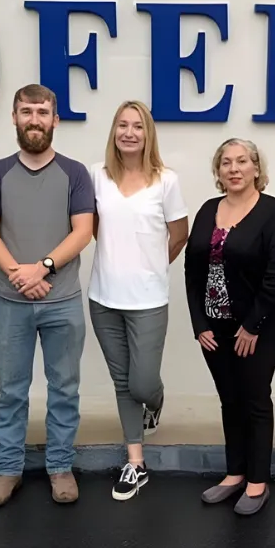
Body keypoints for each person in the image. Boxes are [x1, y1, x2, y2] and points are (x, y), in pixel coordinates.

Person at [0, 84, 95, 508]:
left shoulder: (75, 173)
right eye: (26, 112)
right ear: (14, 117)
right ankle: (8, 470)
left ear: (55, 120)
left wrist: (41, 268)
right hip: (10, 303)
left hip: (62, 302)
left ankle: (60, 467)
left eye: (42, 112)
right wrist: (19, 274)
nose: (34, 120)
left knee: (64, 389)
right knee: (11, 391)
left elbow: (83, 231)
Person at [184, 139, 275, 516]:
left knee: (255, 399)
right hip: (214, 327)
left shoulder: (272, 211)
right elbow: (192, 270)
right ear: (218, 171)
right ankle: (234, 473)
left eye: (242, 161)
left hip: (259, 327)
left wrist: (252, 326)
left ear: (256, 168)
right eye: (226, 162)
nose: (234, 168)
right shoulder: (207, 210)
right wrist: (199, 323)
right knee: (229, 400)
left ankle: (258, 482)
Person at [87, 100, 189, 502]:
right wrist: (118, 260)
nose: (129, 133)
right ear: (114, 131)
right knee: (122, 382)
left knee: (142, 382)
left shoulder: (166, 181)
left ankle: (155, 402)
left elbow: (179, 235)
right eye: (122, 125)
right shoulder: (96, 176)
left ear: (149, 134)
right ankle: (136, 462)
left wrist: (150, 266)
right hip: (103, 298)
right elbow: (94, 227)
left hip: (148, 299)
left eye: (138, 126)